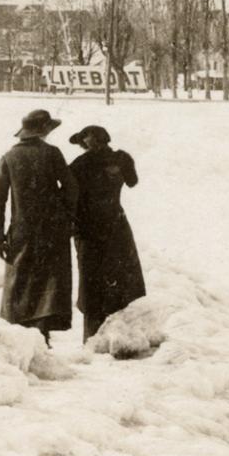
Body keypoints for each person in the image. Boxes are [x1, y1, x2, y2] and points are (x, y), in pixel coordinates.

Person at [0, 109, 79, 342]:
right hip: (52, 228)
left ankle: (20, 339)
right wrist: (64, 214)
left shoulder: (8, 157)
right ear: (43, 131)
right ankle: (42, 337)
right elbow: (71, 188)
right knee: (48, 281)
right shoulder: (52, 153)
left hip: (21, 230)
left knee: (20, 282)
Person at [67, 125, 146, 341]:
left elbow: (65, 189)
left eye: (84, 142)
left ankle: (92, 337)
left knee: (91, 281)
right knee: (118, 277)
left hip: (88, 229)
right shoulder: (121, 159)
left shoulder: (81, 164)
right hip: (115, 225)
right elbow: (133, 181)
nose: (85, 146)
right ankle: (116, 334)